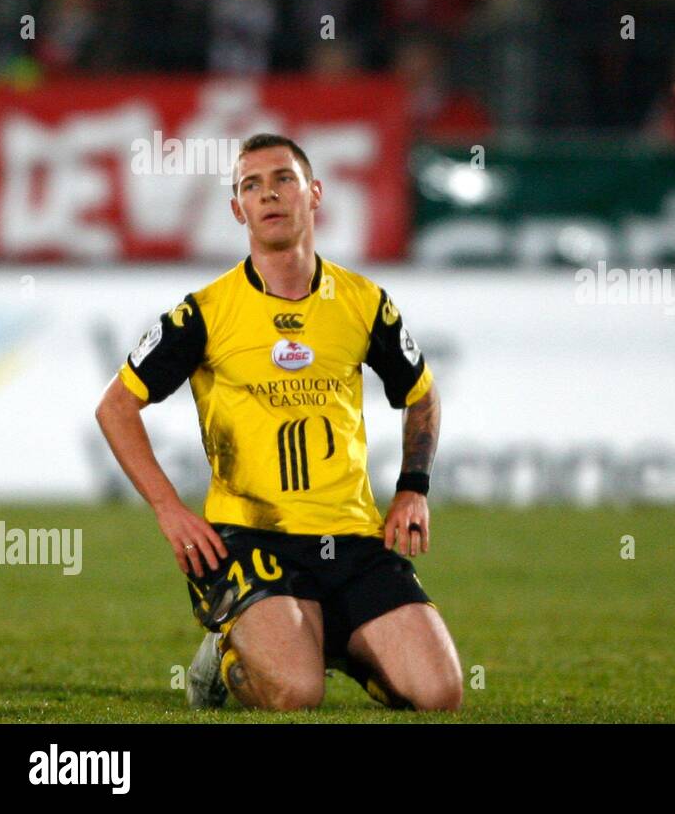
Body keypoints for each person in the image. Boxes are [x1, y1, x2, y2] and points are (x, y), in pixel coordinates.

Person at [94, 133, 463, 709]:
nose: (268, 194)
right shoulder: (205, 313)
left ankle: (331, 636)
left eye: (282, 179)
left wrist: (414, 489)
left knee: (439, 695)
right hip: (249, 542)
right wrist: (169, 510)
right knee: (294, 695)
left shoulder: (363, 302)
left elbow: (423, 394)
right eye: (250, 185)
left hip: (352, 539)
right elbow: (115, 406)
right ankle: (224, 656)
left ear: (314, 193)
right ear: (237, 209)